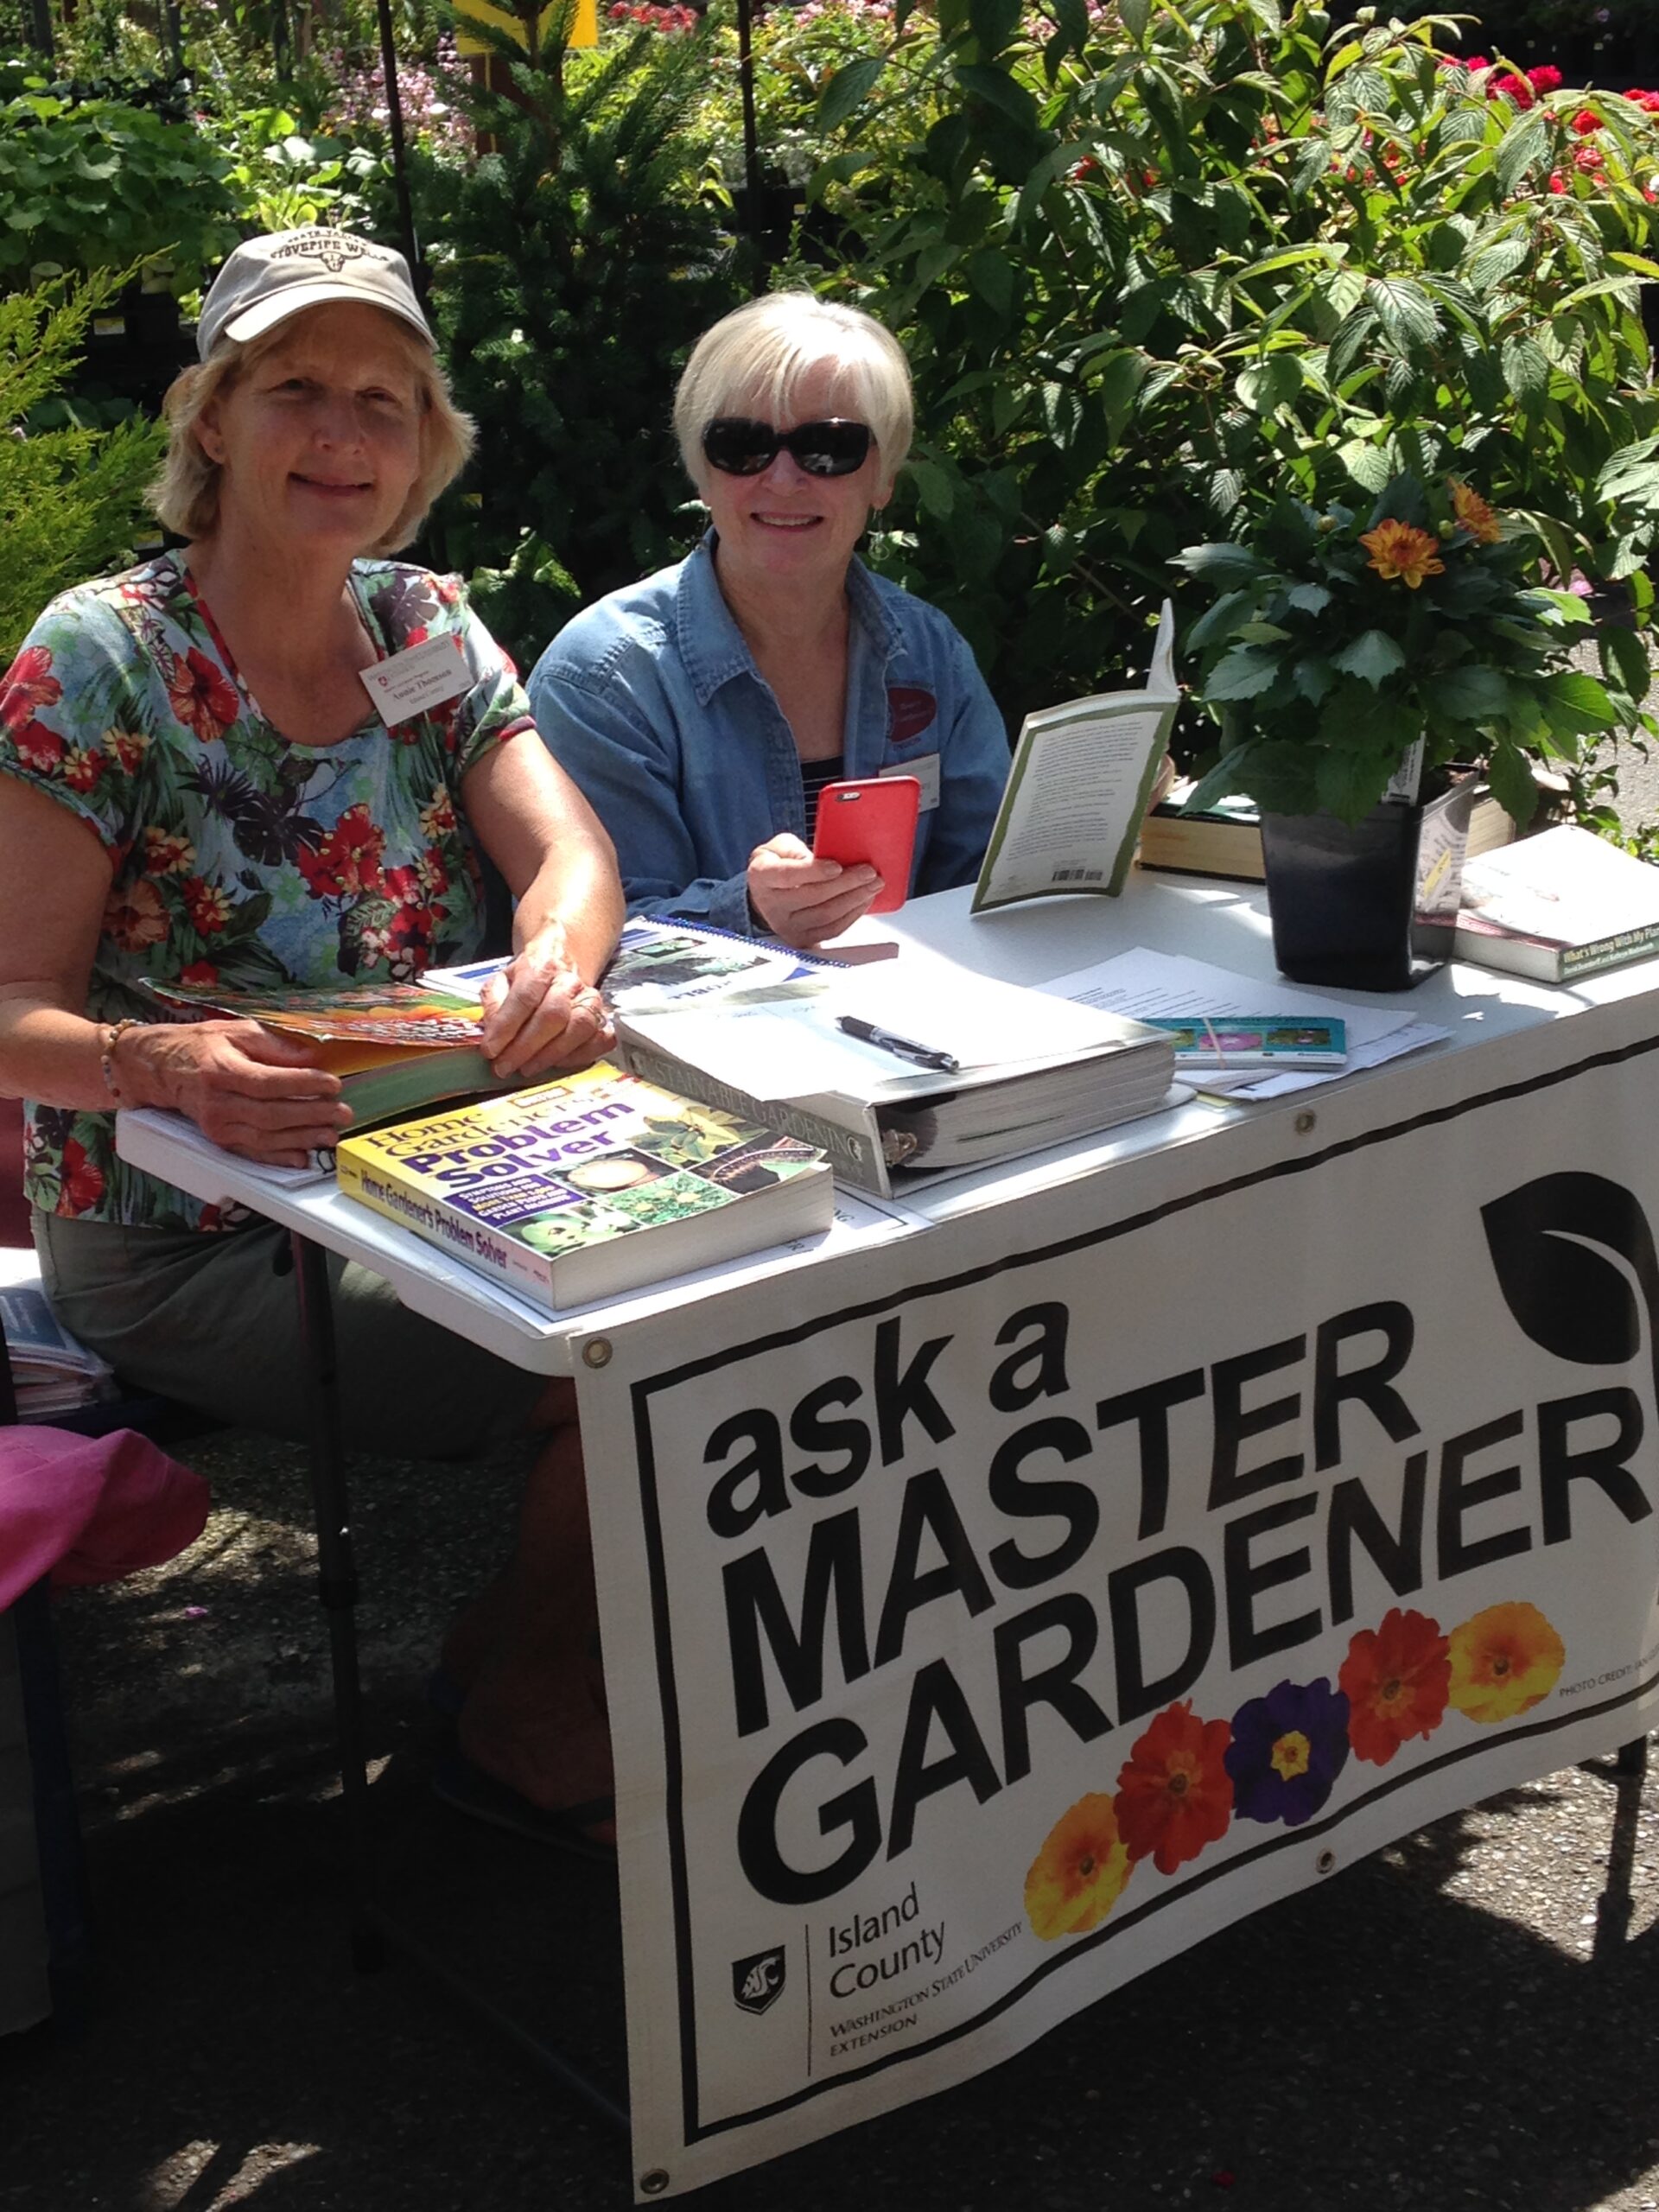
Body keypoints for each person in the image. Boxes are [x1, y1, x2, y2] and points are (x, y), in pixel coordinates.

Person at [0, 228, 624, 1848]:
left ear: (425, 443)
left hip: (433, 1161)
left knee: (722, 1309)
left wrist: (556, 960)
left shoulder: (420, 625)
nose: (341, 435)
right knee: (619, 1373)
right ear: (211, 417)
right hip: (184, 1226)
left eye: (384, 399)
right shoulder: (103, 659)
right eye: (294, 389)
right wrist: (161, 1068)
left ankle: (516, 1662)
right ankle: (532, 1733)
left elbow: (566, 854)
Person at [526, 293, 1013, 948]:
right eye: (742, 445)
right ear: (701, 472)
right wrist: (748, 912)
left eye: (829, 447)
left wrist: (1086, 817)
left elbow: (983, 881)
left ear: (884, 476)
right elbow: (596, 939)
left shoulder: (930, 652)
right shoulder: (603, 678)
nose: (783, 479)